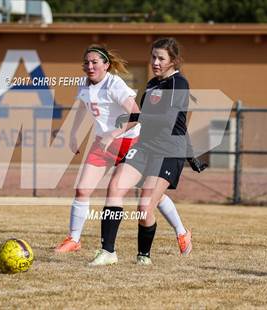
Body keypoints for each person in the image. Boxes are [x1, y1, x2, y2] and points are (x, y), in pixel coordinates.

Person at [55, 44, 206, 254]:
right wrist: (73, 134)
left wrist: (115, 133)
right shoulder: (84, 84)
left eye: (94, 62)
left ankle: (181, 232)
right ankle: (75, 239)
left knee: (152, 196)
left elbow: (136, 116)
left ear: (106, 65)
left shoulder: (115, 85)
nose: (89, 66)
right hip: (103, 144)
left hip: (129, 142)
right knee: (83, 189)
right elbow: (82, 106)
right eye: (86, 63)